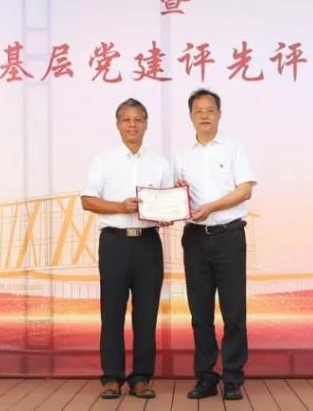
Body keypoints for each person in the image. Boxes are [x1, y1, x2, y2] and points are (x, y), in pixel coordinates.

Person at [81, 98, 171, 400]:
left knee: (146, 315)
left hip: (148, 243)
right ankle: (112, 377)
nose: (132, 125)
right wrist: (120, 207)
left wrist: (167, 213)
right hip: (114, 242)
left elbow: (168, 202)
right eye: (126, 119)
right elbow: (88, 200)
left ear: (146, 125)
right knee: (112, 313)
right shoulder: (103, 160)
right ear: (118, 124)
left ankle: (141, 378)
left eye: (138, 119)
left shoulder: (159, 163)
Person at [175, 89, 257, 401]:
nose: (204, 116)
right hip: (195, 238)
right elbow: (176, 195)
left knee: (234, 312)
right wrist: (174, 199)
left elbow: (245, 190)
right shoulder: (182, 156)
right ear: (191, 116)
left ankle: (233, 377)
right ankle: (206, 378)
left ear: (219, 114)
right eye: (198, 111)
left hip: (229, 236)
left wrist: (211, 207)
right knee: (200, 314)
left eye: (210, 110)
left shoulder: (235, 148)